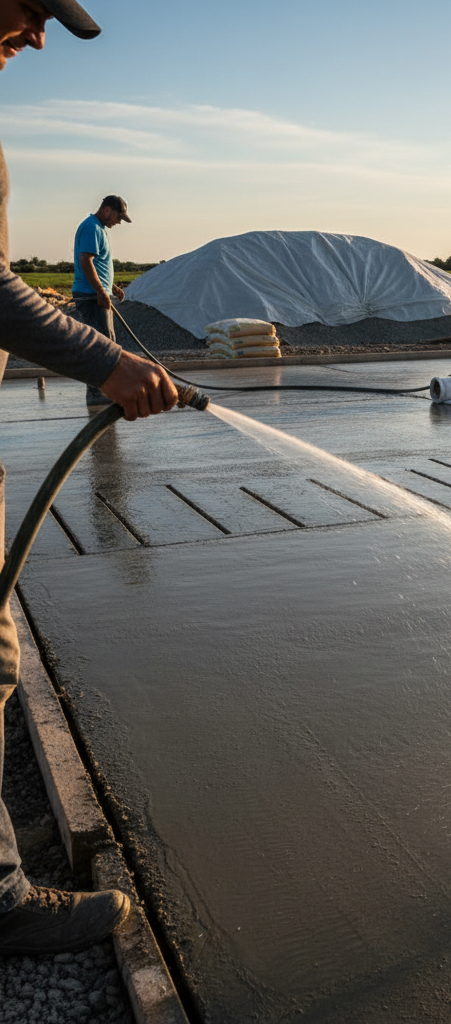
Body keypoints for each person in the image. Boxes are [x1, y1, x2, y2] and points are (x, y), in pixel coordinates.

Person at [0, 0, 178, 955]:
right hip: (72, 314)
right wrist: (107, 362)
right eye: (29, 9)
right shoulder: (83, 230)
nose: (33, 35)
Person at [72, 194, 131, 405]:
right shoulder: (92, 227)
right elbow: (86, 261)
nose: (118, 222)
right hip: (90, 295)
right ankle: (98, 394)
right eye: (118, 217)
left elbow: (98, 265)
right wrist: (100, 291)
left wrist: (111, 288)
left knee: (107, 343)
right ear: (107, 210)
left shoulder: (100, 229)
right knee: (101, 345)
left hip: (95, 293)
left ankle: (104, 390)